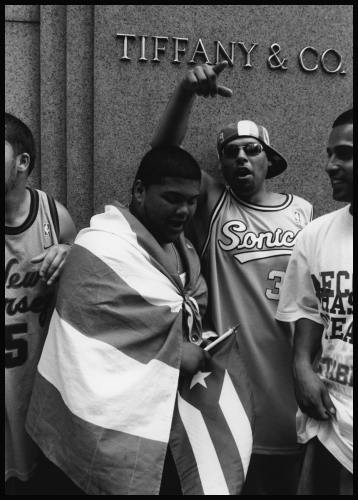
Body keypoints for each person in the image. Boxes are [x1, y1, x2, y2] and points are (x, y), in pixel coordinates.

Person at [151, 61, 314, 495]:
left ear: (269, 160)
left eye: (251, 149)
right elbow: (163, 154)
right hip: (234, 386)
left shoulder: (304, 212)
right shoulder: (211, 205)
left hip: (295, 381)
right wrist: (185, 91)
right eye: (230, 152)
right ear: (220, 165)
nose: (241, 157)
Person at [26, 146, 210, 495]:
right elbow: (95, 336)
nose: (184, 210)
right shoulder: (101, 247)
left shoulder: (184, 248)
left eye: (192, 200)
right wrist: (176, 353)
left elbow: (169, 314)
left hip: (162, 423)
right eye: (172, 198)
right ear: (139, 191)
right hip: (96, 424)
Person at [276, 109, 353, 495]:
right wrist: (301, 368)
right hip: (331, 424)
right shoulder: (315, 235)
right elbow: (307, 308)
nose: (330, 165)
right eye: (329, 153)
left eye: (345, 153)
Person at [5, 112, 77, 495]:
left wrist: (71, 254)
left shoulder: (53, 217)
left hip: (37, 396)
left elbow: (87, 295)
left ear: (22, 162)